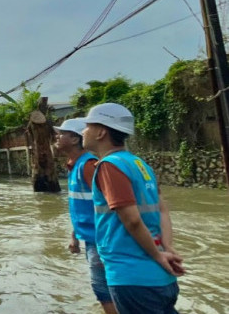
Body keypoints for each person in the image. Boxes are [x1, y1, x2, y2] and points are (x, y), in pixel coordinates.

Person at [81, 103, 185, 314]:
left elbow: (132, 220)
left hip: (133, 278)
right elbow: (163, 210)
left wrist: (158, 255)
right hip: (161, 277)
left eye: (88, 126)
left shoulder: (109, 166)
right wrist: (167, 247)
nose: (84, 130)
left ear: (101, 132)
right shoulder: (139, 164)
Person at [54, 118, 116, 314]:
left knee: (104, 291)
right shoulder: (74, 166)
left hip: (101, 241)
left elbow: (111, 204)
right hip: (91, 239)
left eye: (62, 133)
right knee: (104, 290)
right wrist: (75, 236)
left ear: (74, 139)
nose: (57, 136)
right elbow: (85, 207)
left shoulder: (88, 165)